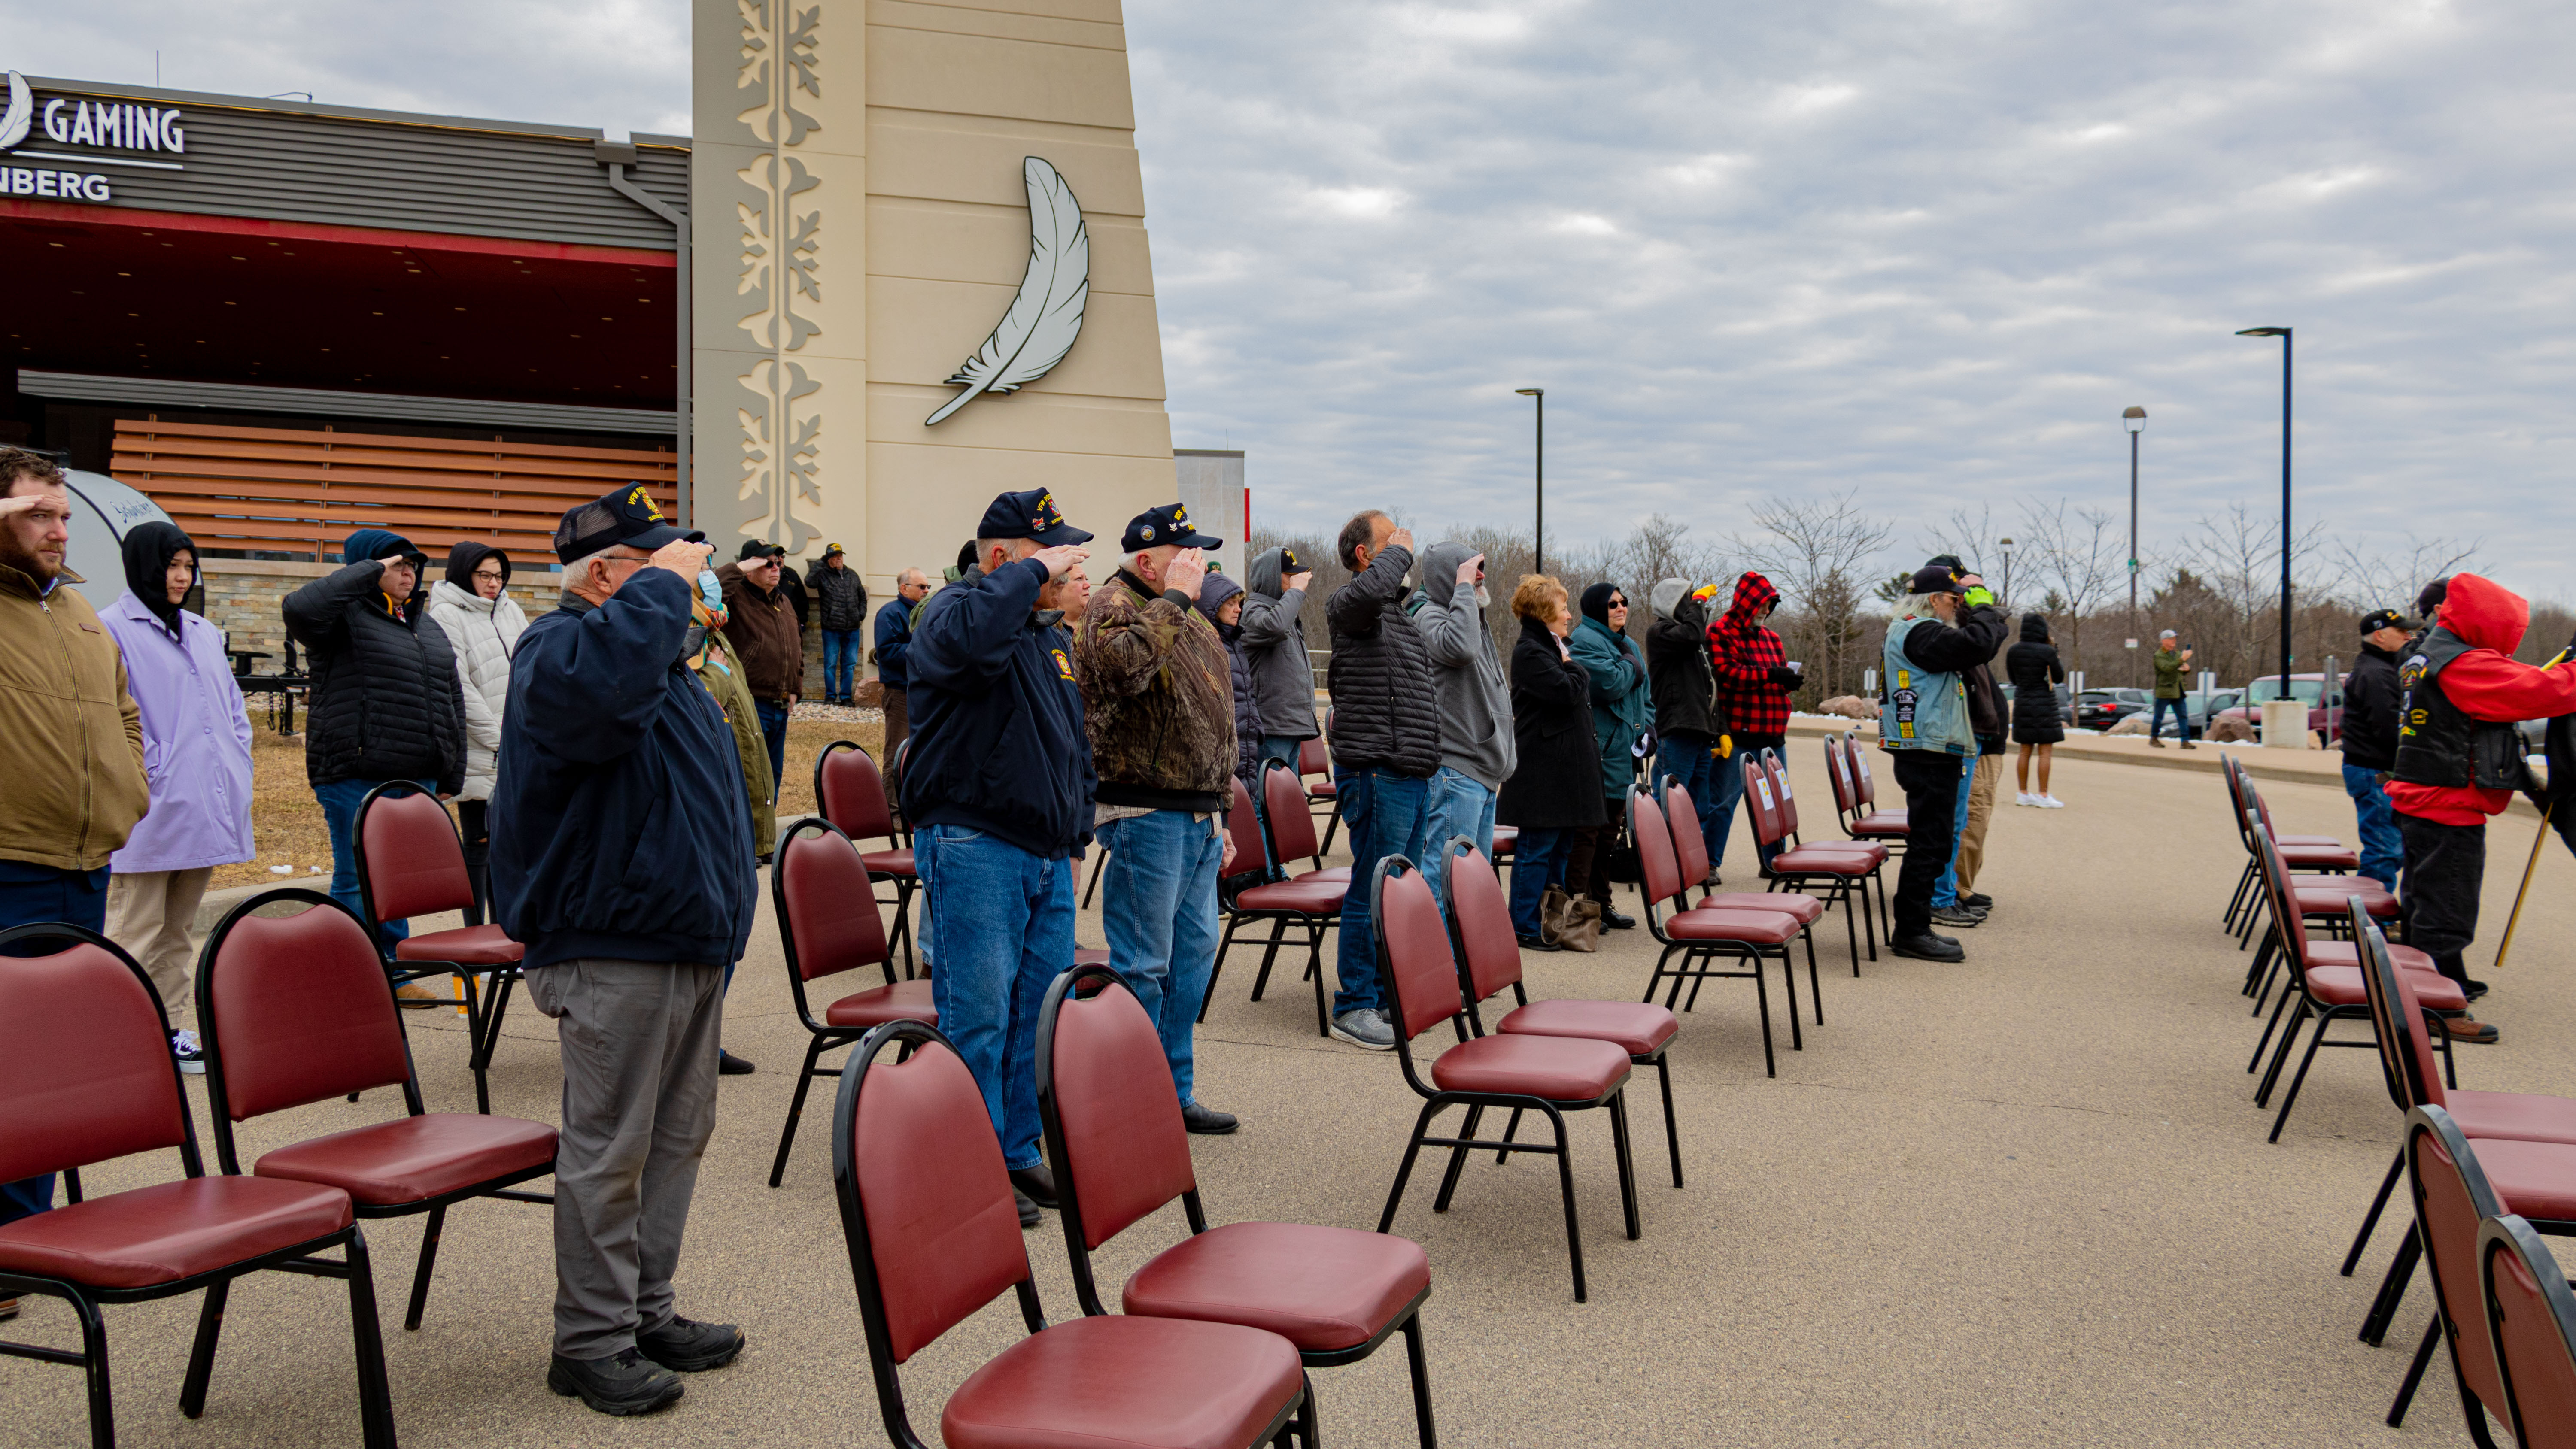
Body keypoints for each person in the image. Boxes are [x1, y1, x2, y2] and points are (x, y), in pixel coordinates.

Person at [489, 487, 749, 1416]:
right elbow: (595, 707)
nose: (691, 582)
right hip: (612, 941)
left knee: (677, 1136)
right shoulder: (559, 649)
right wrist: (662, 597)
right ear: (606, 575)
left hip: (680, 936)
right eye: (662, 566)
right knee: (611, 1147)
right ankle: (590, 1338)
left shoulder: (657, 663)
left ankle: (645, 1307)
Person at [904, 489, 1094, 1224]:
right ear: (1002, 558)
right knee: (977, 1014)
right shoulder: (956, 611)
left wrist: (1072, 837)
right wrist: (1024, 575)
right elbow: (972, 644)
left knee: (1031, 1013)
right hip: (977, 843)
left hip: (1043, 852)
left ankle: (1014, 1149)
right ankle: (967, 1164)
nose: (1065, 566)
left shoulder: (1046, 636)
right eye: (1049, 554)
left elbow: (1069, 747)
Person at [0, 447, 148, 1246]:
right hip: (7, 859)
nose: (60, 530)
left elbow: (123, 711)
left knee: (50, 1058)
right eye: (37, 514)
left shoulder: (79, 611)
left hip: (82, 863)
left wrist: (131, 791)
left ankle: (26, 1232)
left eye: (63, 515)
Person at [1073, 503, 1240, 1137]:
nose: (1197, 564)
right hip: (1146, 810)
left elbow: (1213, 714)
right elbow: (1124, 671)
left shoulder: (1184, 611)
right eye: (1185, 553)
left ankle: (1172, 1091)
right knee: (1145, 963)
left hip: (1195, 812)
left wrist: (1220, 810)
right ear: (1148, 560)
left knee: (1193, 956)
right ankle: (1129, 1098)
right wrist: (1174, 599)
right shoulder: (1115, 604)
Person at [2385, 573, 2576, 1043]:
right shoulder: (2463, 664)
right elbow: (2543, 692)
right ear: (2487, 623)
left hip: (2424, 797)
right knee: (2447, 909)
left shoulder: (2427, 653)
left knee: (2423, 901)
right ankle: (2436, 1006)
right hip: (2447, 803)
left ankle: (2433, 985)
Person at [101, 521, 254, 1075]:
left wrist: (240, 756)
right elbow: (112, 722)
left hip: (206, 802)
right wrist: (154, 774)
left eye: (189, 567)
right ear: (145, 565)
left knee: (177, 931)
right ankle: (113, 1033)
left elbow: (233, 711)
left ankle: (166, 1027)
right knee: (134, 928)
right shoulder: (110, 630)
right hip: (152, 807)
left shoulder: (201, 631)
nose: (182, 577)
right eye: (172, 566)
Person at [283, 526, 466, 959]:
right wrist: (371, 568)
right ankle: (354, 973)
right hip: (355, 773)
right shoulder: (338, 620)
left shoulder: (426, 624)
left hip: (415, 774)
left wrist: (450, 771)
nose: (409, 574)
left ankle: (393, 971)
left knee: (396, 883)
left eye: (413, 566)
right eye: (398, 565)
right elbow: (299, 607)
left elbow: (450, 697)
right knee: (357, 879)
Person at [1323, 510, 1439, 1049]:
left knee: (1396, 893)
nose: (1406, 547)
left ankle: (1387, 995)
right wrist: (1403, 553)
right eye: (1392, 541)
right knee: (1370, 886)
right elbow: (1369, 594)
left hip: (1408, 769)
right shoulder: (1351, 606)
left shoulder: (1395, 615)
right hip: (1376, 769)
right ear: (1366, 555)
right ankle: (1354, 1005)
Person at [1879, 562, 2006, 961]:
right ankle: (1911, 932)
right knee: (1929, 842)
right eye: (1954, 600)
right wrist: (1985, 604)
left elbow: (1976, 644)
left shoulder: (1916, 631)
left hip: (1930, 748)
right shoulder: (1920, 632)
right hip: (1928, 751)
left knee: (1931, 841)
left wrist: (1978, 608)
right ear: (1934, 600)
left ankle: (1915, 927)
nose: (1957, 607)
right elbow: (1979, 643)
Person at [1496, 576, 1604, 949]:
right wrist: (1575, 666)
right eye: (1563, 608)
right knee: (1536, 850)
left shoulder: (1554, 646)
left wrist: (1569, 661)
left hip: (1562, 772)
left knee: (1559, 849)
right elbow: (1565, 691)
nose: (1570, 615)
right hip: (1542, 772)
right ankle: (1523, 925)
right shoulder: (1531, 651)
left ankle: (1550, 917)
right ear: (1544, 612)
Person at [425, 540, 528, 924]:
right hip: (480, 747)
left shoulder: (510, 609)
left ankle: (506, 935)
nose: (493, 584)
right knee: (478, 845)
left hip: (516, 743)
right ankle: (475, 937)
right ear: (463, 573)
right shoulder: (446, 614)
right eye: (484, 575)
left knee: (509, 848)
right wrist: (501, 739)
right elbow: (459, 687)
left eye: (499, 576)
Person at [1407, 541, 1513, 908]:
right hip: (1455, 772)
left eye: (1481, 567)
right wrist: (1464, 589)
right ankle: (1438, 965)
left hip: (1481, 772)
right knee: (1445, 882)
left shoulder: (1469, 616)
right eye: (1470, 568)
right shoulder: (1427, 615)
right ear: (1447, 577)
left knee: (1471, 887)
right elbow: (1460, 649)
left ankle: (1460, 965)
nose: (1480, 574)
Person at [1568, 582, 1649, 929]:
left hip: (1624, 753)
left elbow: (1647, 697)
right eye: (1612, 604)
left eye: (1624, 602)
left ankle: (1602, 904)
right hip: (1598, 752)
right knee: (1587, 834)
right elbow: (1608, 684)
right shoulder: (1584, 639)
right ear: (1596, 608)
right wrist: (1632, 666)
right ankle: (1580, 908)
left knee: (1609, 835)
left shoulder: (1627, 644)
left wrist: (1649, 729)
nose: (1620, 608)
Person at [1708, 571, 1799, 876]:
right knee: (1722, 802)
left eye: (1770, 605)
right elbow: (1726, 673)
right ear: (1745, 602)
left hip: (1774, 735)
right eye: (1761, 604)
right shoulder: (1720, 632)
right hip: (1738, 733)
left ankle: (1773, 862)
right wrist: (1772, 675)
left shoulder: (1772, 638)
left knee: (1774, 802)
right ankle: (1709, 863)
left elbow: (1774, 677)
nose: (1765, 610)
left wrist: (1788, 681)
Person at [1647, 578, 1725, 883]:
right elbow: (1692, 634)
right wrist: (1699, 604)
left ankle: (1690, 864)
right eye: (1687, 599)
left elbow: (1711, 687)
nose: (1693, 602)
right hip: (1677, 731)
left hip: (1700, 732)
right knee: (1667, 801)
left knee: (1698, 805)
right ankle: (1658, 864)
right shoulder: (1662, 633)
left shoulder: (1694, 639)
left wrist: (1721, 730)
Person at [715, 540, 801, 801]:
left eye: (779, 563)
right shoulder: (735, 597)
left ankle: (765, 836)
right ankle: (744, 837)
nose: (776, 569)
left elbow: (795, 644)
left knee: (771, 775)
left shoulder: (783, 600)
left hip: (780, 706)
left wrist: (796, 687)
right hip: (751, 702)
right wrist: (738, 569)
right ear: (751, 567)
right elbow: (708, 593)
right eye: (768, 564)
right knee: (747, 774)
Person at [2339, 607, 2412, 891]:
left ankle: (2373, 918)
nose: (2409, 636)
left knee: (2389, 848)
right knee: (2384, 850)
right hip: (2374, 772)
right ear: (2380, 636)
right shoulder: (2377, 673)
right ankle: (2372, 925)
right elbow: (2390, 729)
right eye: (2402, 631)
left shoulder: (2380, 667)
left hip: (2370, 769)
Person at [1242, 544, 1319, 770]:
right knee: (1268, 801)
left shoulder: (1284, 611)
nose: (1297, 580)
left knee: (1285, 802)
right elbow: (1273, 627)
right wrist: (1296, 593)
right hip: (1272, 727)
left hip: (1289, 727)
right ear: (1272, 578)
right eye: (1290, 576)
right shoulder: (1253, 610)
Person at [1197, 571, 1264, 801]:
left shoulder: (1235, 643)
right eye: (1231, 604)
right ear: (1212, 607)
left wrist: (1256, 725)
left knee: (1251, 809)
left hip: (1246, 744)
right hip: (1225, 750)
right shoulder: (1208, 646)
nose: (1238, 610)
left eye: (1239, 604)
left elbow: (1247, 693)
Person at [872, 567, 930, 775]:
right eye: (922, 587)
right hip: (899, 693)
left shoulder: (924, 613)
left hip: (920, 692)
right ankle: (892, 808)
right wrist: (926, 647)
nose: (926, 591)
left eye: (928, 587)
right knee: (897, 754)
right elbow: (887, 653)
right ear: (904, 588)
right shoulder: (891, 613)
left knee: (917, 754)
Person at [2007, 613, 2066, 807]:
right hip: (2044, 704)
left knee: (2024, 751)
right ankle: (2043, 795)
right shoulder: (2047, 651)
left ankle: (2023, 793)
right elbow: (2058, 678)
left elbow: (2014, 680)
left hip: (2023, 701)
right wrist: (2054, 651)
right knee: (2045, 752)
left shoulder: (2013, 651)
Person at [811, 542, 867, 707]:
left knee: (849, 664)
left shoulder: (852, 575)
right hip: (831, 629)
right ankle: (830, 696)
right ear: (829, 559)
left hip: (852, 628)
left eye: (840, 556)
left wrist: (861, 614)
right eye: (835, 556)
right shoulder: (823, 575)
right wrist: (822, 561)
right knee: (830, 664)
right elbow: (809, 582)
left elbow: (862, 597)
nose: (839, 559)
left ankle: (845, 697)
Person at [2149, 631, 2195, 747]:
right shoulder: (2159, 655)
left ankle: (2185, 741)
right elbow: (2167, 668)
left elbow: (2177, 671)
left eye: (2175, 638)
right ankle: (2154, 738)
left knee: (2183, 716)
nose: (2174, 640)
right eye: (2171, 638)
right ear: (2163, 641)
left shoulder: (2177, 653)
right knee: (2159, 717)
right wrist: (2182, 659)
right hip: (2164, 691)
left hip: (2177, 691)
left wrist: (2187, 670)